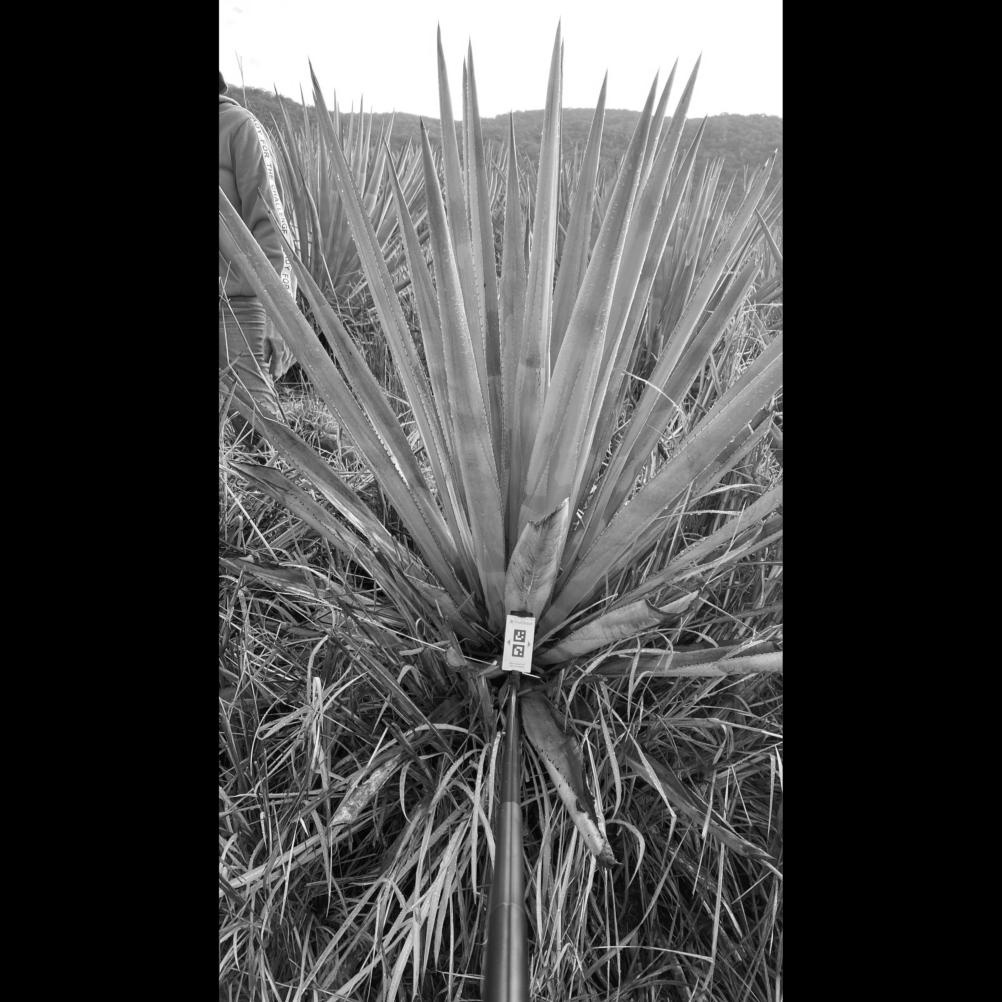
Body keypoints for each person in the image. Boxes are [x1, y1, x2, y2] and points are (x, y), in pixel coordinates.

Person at [218, 70, 297, 437]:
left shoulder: (240, 126)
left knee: (259, 433)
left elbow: (274, 229)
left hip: (236, 307)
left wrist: (281, 317)